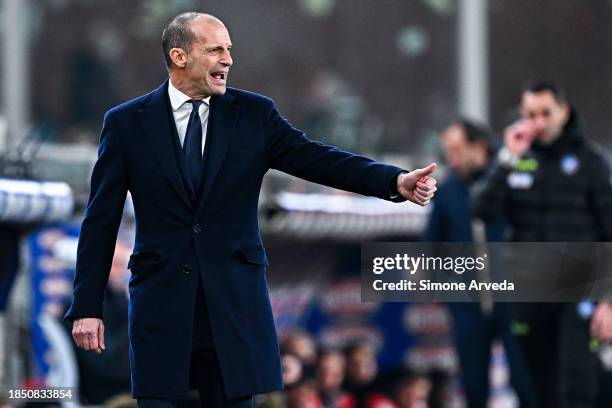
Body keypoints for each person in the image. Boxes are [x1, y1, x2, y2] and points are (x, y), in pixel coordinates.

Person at [64, 12, 438, 408]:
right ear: (179, 56)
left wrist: (393, 181)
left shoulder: (255, 116)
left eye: (229, 50)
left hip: (234, 309)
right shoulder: (126, 124)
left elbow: (319, 159)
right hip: (162, 308)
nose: (227, 59)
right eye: (215, 50)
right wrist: (88, 306)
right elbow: (100, 220)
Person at [474, 80, 612, 408]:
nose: (538, 122)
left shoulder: (592, 163)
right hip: (529, 289)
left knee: (576, 385)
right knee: (537, 387)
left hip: (579, 288)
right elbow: (481, 211)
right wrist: (507, 157)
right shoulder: (515, 160)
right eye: (530, 114)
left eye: (545, 113)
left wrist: (608, 298)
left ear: (563, 112)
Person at [424, 120, 534, 407]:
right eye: (448, 150)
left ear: (479, 147)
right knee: (473, 387)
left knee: (526, 382)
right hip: (468, 306)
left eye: (457, 150)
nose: (451, 158)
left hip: (513, 300)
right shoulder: (447, 192)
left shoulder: (510, 178)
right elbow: (432, 245)